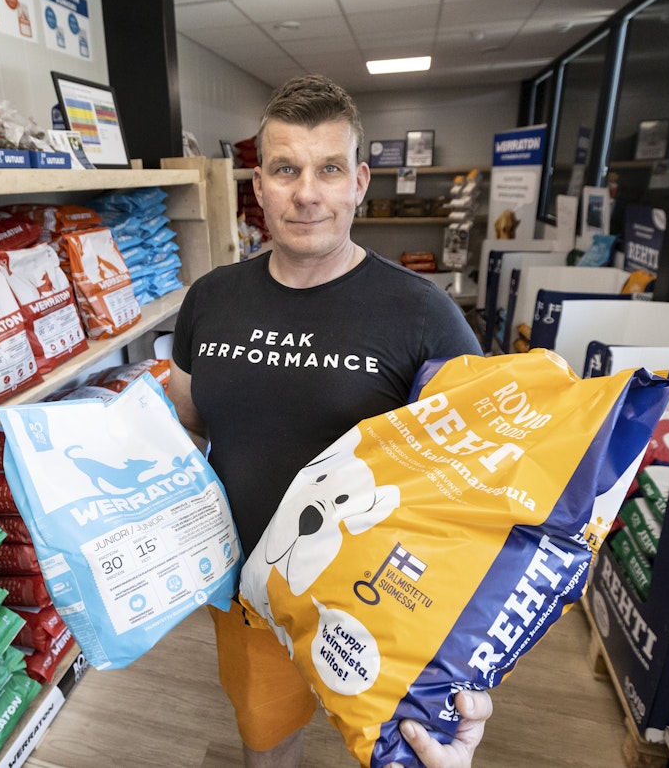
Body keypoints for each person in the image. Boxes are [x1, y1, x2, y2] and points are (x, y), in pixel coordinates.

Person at [167, 74, 489, 768]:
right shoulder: (210, 299)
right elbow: (187, 424)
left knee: (398, 754)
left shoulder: (423, 314)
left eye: (330, 169)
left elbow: (480, 473)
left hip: (380, 601)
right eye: (286, 169)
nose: (306, 193)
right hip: (250, 589)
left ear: (359, 182)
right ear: (259, 185)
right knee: (267, 745)